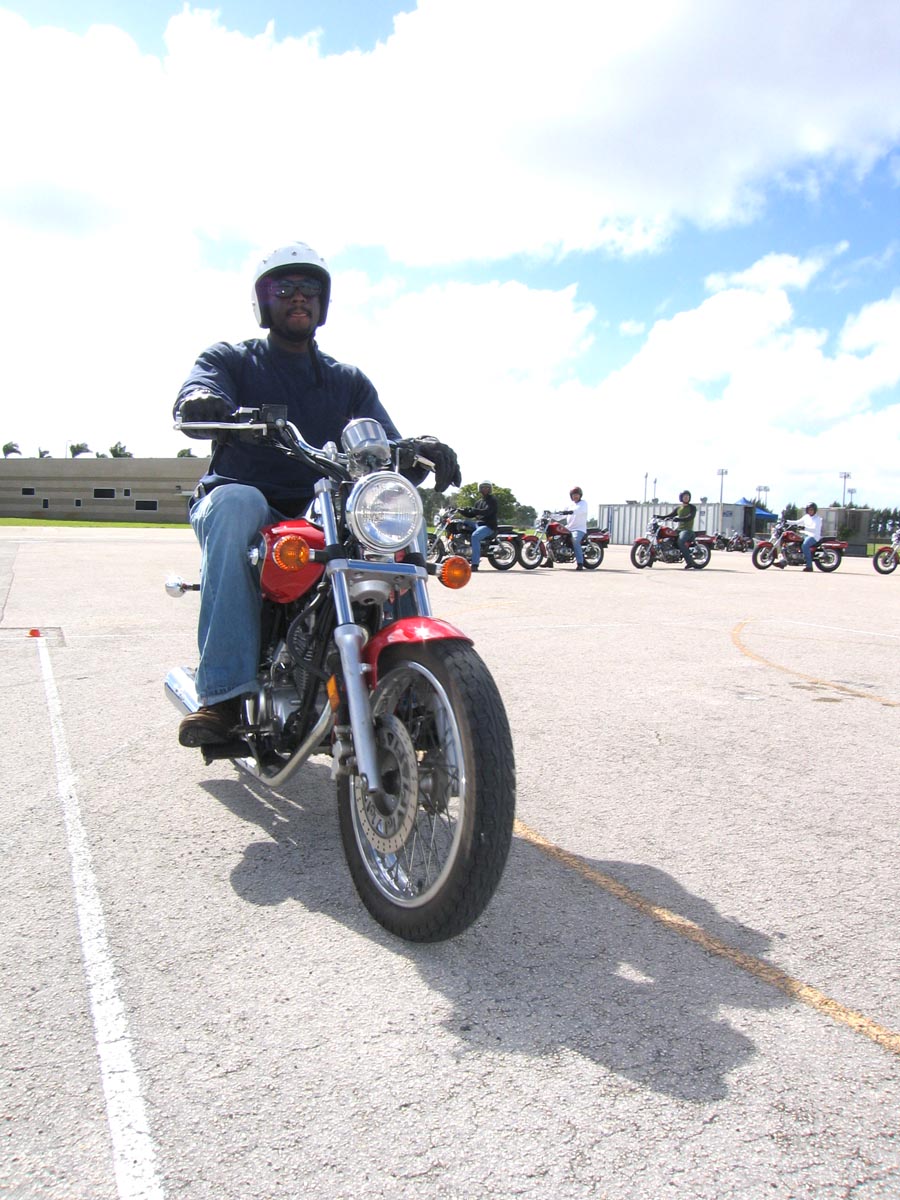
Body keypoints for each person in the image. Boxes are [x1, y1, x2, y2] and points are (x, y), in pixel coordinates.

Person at [173, 241, 460, 747]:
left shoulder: (345, 381)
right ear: (264, 302)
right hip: (245, 497)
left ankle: (411, 678)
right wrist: (203, 401)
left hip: (322, 507)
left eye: (309, 287)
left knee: (390, 508)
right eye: (284, 288)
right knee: (238, 505)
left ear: (323, 302)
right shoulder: (231, 360)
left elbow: (384, 445)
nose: (298, 296)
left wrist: (419, 451)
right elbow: (198, 392)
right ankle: (222, 696)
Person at [463, 480, 498, 571]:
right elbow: (472, 514)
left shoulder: (492, 500)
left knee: (475, 536)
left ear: (490, 489)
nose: (485, 489)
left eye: (487, 487)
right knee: (461, 524)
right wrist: (463, 511)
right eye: (483, 487)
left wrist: (474, 510)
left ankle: (475, 564)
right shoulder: (479, 502)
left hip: (488, 525)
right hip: (478, 524)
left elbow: (487, 512)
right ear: (480, 489)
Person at [777, 502, 822, 571]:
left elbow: (815, 529)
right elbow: (797, 522)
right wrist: (786, 521)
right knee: (793, 542)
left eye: (812, 510)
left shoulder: (818, 519)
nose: (810, 511)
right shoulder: (806, 517)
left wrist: (804, 528)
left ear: (815, 510)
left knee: (805, 546)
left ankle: (809, 566)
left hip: (813, 536)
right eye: (809, 509)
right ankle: (786, 560)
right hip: (805, 534)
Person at [660, 490, 698, 568]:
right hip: (679, 530)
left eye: (688, 496)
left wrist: (679, 519)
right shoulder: (679, 508)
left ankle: (690, 562)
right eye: (685, 496)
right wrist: (659, 517)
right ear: (681, 497)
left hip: (687, 530)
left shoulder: (692, 507)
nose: (686, 498)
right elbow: (670, 515)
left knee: (680, 541)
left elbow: (690, 517)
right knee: (667, 539)